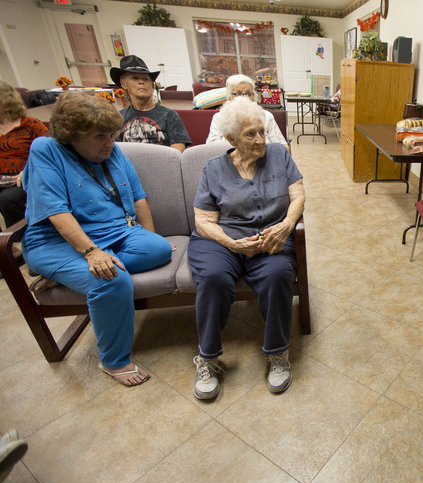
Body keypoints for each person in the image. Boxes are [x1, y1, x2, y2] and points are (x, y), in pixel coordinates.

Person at [22, 91, 173, 386]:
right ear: (72, 136)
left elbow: (139, 198)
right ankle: (114, 360)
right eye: (99, 136)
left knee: (159, 248)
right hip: (58, 242)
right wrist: (92, 253)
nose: (109, 142)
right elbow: (56, 211)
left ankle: (67, 275)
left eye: (111, 134)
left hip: (115, 232)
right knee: (113, 278)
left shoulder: (111, 150)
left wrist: (147, 236)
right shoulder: (47, 150)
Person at [188, 97, 304, 399]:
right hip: (220, 241)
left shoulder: (280, 155)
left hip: (270, 238)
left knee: (278, 275)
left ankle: (278, 353)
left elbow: (298, 195)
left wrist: (286, 225)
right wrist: (232, 243)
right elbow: (203, 220)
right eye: (250, 135)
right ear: (231, 139)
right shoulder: (213, 169)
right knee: (213, 279)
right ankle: (208, 357)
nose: (260, 139)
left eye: (262, 131)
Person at [111, 55, 191, 152]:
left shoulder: (170, 116)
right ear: (124, 84)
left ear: (152, 85)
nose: (141, 82)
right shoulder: (118, 118)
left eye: (145, 79)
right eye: (135, 78)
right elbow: (116, 153)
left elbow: (177, 154)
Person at [0, 81, 49, 231]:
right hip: (2, 178)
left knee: (7, 199)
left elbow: (48, 151)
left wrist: (28, 170)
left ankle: (19, 236)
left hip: (25, 175)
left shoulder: (30, 124)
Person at [206, 74, 288, 148]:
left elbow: (283, 146)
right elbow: (210, 147)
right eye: (238, 94)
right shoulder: (219, 118)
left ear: (254, 96)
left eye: (248, 94)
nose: (244, 97)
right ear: (229, 97)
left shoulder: (266, 116)